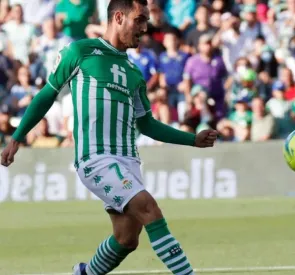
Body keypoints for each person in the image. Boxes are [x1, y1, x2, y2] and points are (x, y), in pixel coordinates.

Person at [0, 1, 218, 275]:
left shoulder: (134, 72)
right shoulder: (80, 51)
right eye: (139, 20)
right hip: (96, 158)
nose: (144, 27)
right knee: (149, 208)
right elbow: (47, 93)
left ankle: (85, 273)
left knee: (127, 239)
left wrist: (192, 139)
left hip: (129, 160)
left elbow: (146, 123)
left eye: (146, 21)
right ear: (118, 17)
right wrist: (17, 138)